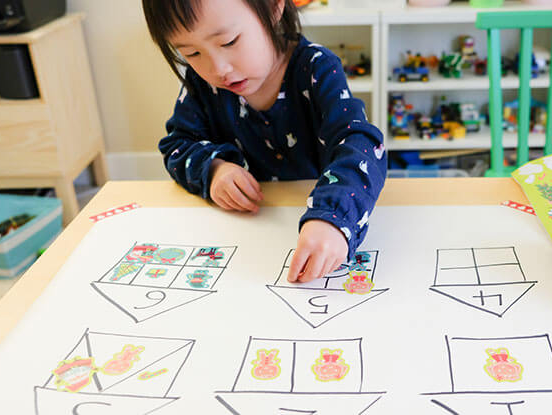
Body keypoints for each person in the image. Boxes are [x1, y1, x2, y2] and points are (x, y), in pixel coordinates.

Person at [142, 0, 386, 283]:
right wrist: (214, 169)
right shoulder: (202, 85)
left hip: (312, 227)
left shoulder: (317, 69)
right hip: (243, 242)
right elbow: (178, 144)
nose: (218, 69)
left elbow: (361, 144)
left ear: (273, 7)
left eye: (229, 41)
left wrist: (334, 216)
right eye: (192, 53)